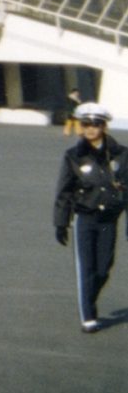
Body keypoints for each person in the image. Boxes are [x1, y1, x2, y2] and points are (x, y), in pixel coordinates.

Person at [52, 103, 127, 333]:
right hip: (85, 217)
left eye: (95, 124)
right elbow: (64, 191)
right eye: (85, 124)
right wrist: (61, 222)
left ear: (104, 126)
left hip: (109, 219)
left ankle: (90, 297)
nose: (90, 129)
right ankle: (88, 315)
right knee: (86, 267)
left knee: (104, 267)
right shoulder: (73, 156)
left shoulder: (121, 154)